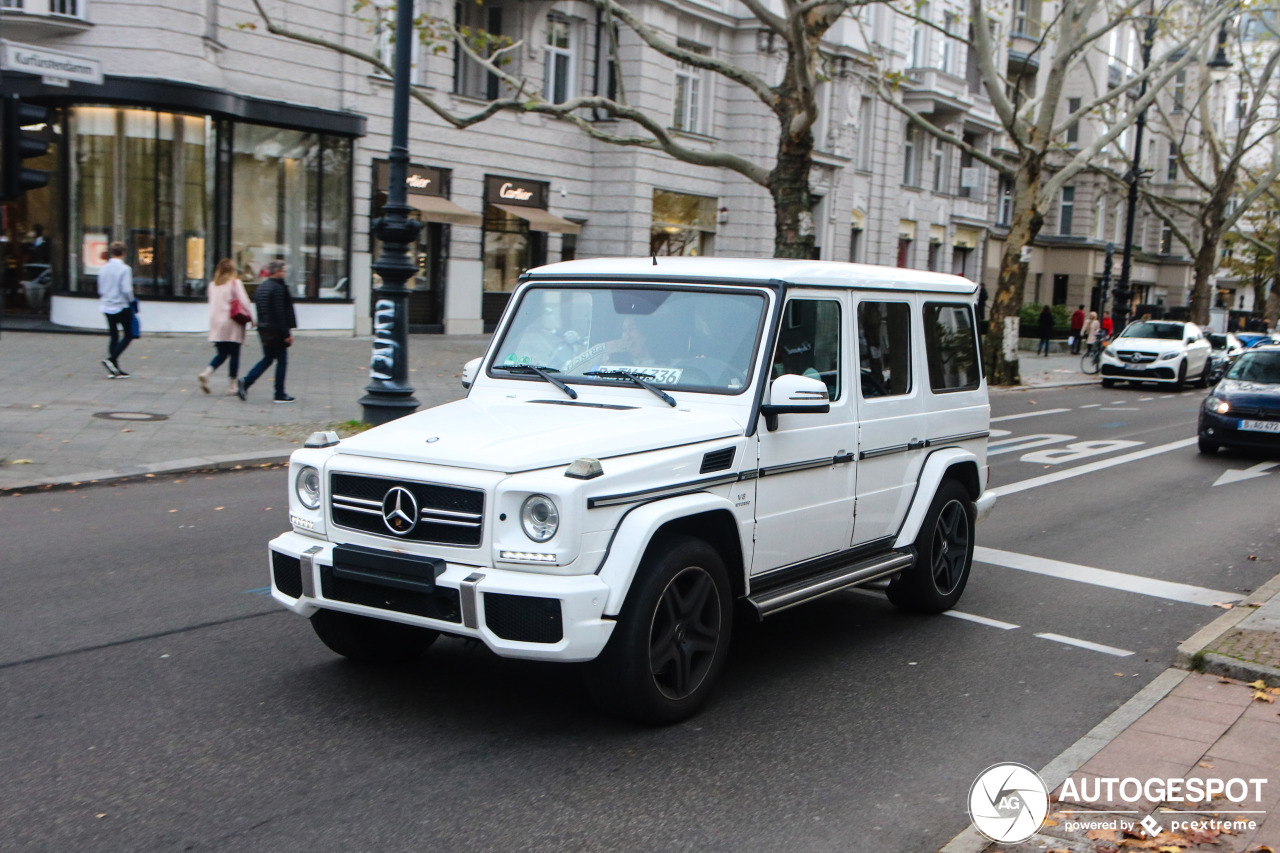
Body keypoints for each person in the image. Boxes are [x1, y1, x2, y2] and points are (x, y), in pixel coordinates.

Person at [238, 260, 296, 403]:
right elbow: (280, 312)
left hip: (264, 329)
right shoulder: (278, 288)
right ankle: (279, 393)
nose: (284, 273)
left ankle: (246, 382)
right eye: (283, 270)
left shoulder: (262, 287)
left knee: (268, 358)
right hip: (276, 330)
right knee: (282, 360)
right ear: (276, 272)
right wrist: (286, 334)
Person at [199, 258, 253, 395]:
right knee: (235, 353)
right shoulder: (235, 283)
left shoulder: (212, 285)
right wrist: (252, 317)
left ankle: (207, 372)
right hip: (232, 321)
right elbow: (244, 301)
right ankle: (232, 385)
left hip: (216, 322)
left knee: (222, 353)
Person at [97, 241, 135, 378]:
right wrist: (131, 301)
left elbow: (100, 288)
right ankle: (112, 359)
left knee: (114, 335)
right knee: (129, 334)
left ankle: (114, 369)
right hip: (121, 306)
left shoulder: (103, 268)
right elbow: (126, 290)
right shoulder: (125, 269)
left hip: (107, 306)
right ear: (124, 253)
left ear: (111, 252)